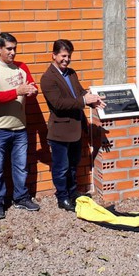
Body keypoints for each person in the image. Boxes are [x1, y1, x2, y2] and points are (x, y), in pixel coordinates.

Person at [40, 39, 105, 212]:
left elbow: (80, 92)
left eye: (68, 56)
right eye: (63, 56)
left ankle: (72, 192)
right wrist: (84, 100)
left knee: (73, 165)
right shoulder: (48, 78)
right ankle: (62, 197)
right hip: (60, 131)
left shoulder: (71, 73)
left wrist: (93, 100)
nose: (66, 59)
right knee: (61, 168)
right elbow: (59, 104)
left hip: (75, 129)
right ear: (54, 55)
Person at [0, 32, 40, 219]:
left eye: (15, 48)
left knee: (21, 166)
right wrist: (17, 91)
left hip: (20, 127)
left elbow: (32, 86)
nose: (13, 52)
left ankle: (21, 197)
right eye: (9, 49)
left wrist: (32, 91)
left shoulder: (22, 67)